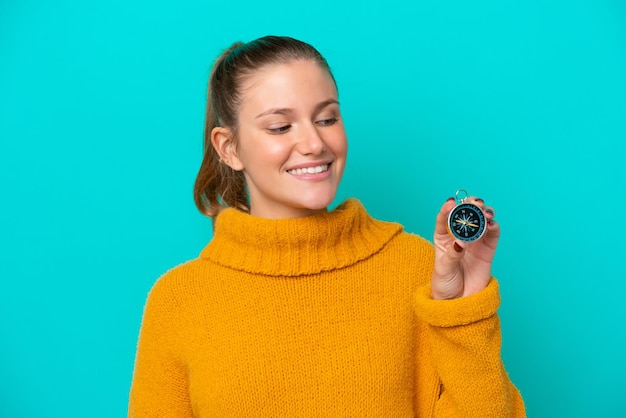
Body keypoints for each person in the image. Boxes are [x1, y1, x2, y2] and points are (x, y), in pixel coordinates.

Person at [128, 35, 525, 417]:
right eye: (280, 127)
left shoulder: (419, 270)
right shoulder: (179, 303)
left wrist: (464, 312)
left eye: (326, 118)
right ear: (228, 148)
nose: (314, 143)